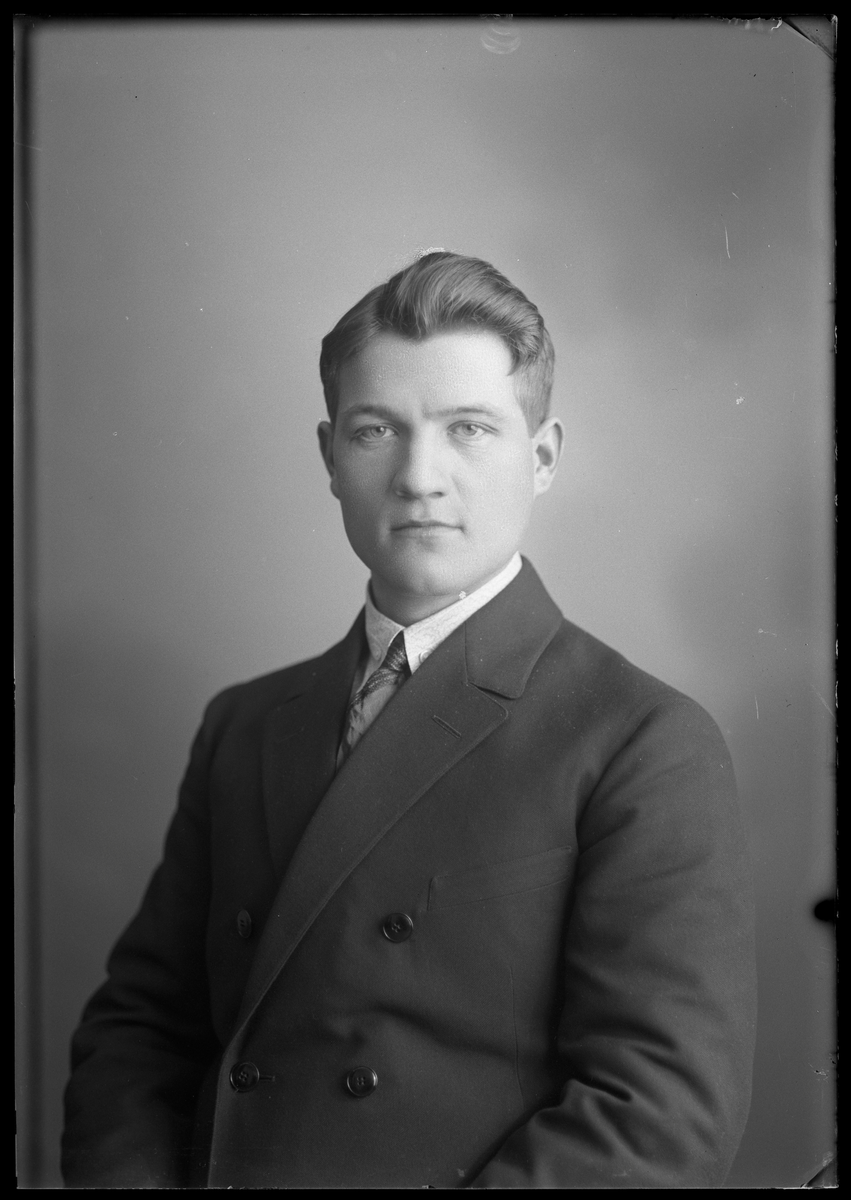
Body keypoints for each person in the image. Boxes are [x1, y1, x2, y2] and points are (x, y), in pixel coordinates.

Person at [61, 252, 756, 1189]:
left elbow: (656, 1119)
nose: (418, 477)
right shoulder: (244, 724)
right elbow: (138, 1032)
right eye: (376, 429)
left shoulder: (642, 741)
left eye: (469, 428)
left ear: (541, 458)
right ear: (329, 456)